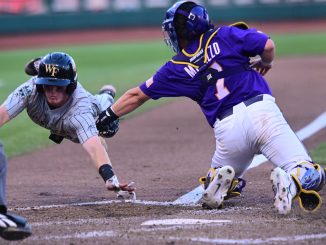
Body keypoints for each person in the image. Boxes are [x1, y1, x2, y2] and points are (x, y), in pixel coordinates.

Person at [96, 1, 325, 214]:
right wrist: (266, 62)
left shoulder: (175, 66)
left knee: (223, 174)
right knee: (312, 171)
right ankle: (291, 182)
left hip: (228, 131)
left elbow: (136, 95)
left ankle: (218, 180)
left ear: (181, 32)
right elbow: (268, 45)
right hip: (262, 114)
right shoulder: (225, 34)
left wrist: (106, 116)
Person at [0, 52, 134, 240]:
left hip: (88, 115)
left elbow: (94, 147)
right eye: (48, 86)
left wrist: (110, 177)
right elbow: (3, 113)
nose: (52, 91)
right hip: (57, 117)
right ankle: (40, 64)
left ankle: (107, 95)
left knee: (109, 127)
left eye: (59, 87)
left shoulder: (81, 110)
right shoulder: (31, 89)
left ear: (69, 87)